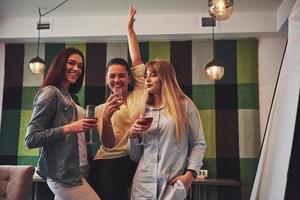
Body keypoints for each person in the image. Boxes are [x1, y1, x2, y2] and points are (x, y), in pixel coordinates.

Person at [25, 47, 101, 200]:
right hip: (62, 173)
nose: (76, 69)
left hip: (79, 169)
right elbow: (31, 139)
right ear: (60, 64)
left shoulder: (72, 97)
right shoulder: (50, 92)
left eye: (80, 66)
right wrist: (70, 127)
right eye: (71, 63)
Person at [128, 59, 206, 200]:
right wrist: (133, 135)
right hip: (142, 186)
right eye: (146, 76)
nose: (147, 80)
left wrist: (189, 175)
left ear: (165, 77)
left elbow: (198, 144)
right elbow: (135, 157)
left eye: (153, 75)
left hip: (172, 186)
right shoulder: (143, 110)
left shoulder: (185, 106)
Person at [89, 6, 144, 200]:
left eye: (121, 75)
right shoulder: (100, 109)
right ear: (106, 80)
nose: (117, 79)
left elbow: (136, 59)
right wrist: (107, 117)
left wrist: (129, 30)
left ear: (129, 78)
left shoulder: (140, 92)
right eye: (112, 76)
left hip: (138, 159)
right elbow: (109, 144)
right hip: (109, 163)